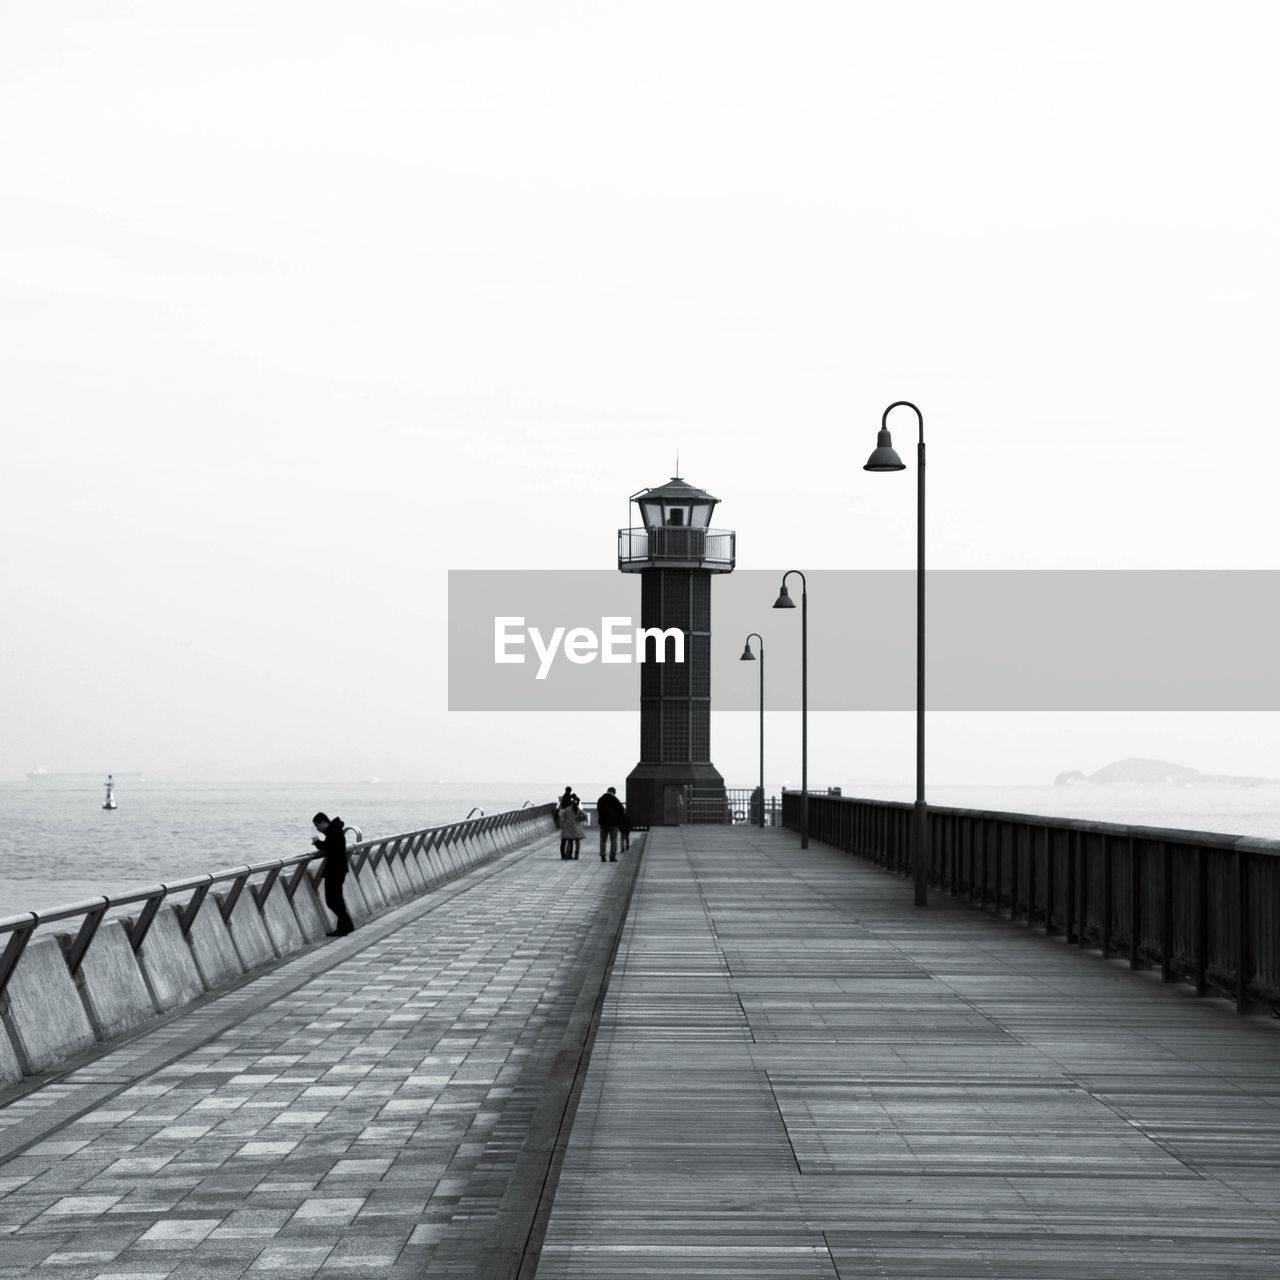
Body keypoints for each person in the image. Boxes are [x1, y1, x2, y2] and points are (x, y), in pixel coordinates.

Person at [312, 811, 354, 936]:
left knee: (332, 900)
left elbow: (329, 846)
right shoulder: (335, 830)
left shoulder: (333, 832)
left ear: (324, 822)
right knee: (336, 899)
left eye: (317, 825)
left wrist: (317, 842)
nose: (317, 829)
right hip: (338, 870)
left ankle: (346, 926)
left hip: (335, 871)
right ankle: (345, 926)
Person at [596, 786, 627, 861]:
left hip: (603, 823)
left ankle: (603, 856)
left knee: (603, 840)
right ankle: (612, 856)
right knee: (613, 840)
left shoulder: (601, 799)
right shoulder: (614, 799)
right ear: (614, 793)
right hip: (613, 823)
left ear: (607, 791)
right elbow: (622, 809)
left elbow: (598, 809)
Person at [558, 794, 586, 860]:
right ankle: (576, 856)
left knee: (569, 842)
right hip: (576, 828)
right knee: (577, 842)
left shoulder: (567, 809)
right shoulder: (578, 809)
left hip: (568, 828)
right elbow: (585, 815)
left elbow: (562, 816)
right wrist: (580, 819)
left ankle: (567, 855)